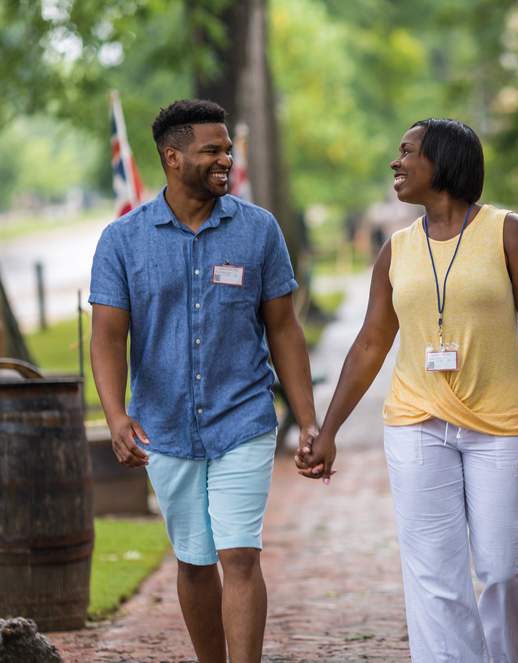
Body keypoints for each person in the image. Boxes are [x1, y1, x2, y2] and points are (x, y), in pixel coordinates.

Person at [297, 118, 518, 663]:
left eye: (408, 151)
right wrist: (329, 428)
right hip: (417, 424)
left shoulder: (510, 232)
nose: (396, 161)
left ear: (443, 162)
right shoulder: (396, 250)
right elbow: (371, 342)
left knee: (506, 564)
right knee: (434, 574)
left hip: (502, 424)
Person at [90, 99, 317, 663]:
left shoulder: (258, 230)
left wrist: (308, 419)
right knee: (194, 560)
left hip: (242, 417)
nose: (225, 159)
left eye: (227, 149)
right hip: (164, 426)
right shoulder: (123, 241)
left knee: (239, 555)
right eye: (211, 150)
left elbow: (284, 329)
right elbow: (107, 337)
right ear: (172, 157)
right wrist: (117, 415)